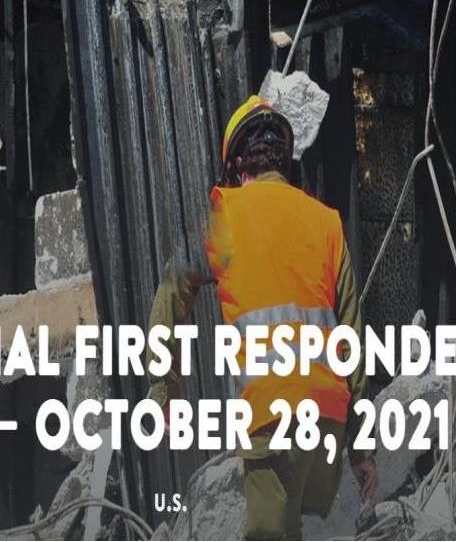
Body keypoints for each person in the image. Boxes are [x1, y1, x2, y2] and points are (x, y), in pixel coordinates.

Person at [147, 95, 377, 540]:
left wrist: (163, 390)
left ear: (237, 166)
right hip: (328, 419)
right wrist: (362, 448)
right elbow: (352, 338)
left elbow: (171, 295)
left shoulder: (225, 214)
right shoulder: (325, 222)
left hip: (272, 416)